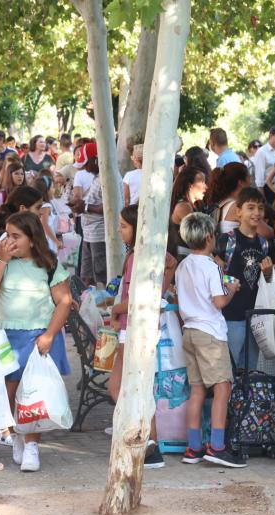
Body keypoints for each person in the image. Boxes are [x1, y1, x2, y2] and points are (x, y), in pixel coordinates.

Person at [0, 212, 72, 473]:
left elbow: (63, 302)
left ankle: (32, 445)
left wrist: (50, 334)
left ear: (32, 239)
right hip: (8, 337)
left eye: (16, 236)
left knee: (33, 394)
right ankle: (17, 433)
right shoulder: (3, 262)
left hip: (38, 337)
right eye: (7, 235)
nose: (9, 240)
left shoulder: (49, 264)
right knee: (8, 394)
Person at [108, 204, 177, 469]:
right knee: (119, 387)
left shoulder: (139, 257)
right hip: (132, 325)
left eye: (124, 226)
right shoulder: (139, 255)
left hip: (134, 327)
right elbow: (162, 280)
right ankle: (147, 443)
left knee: (130, 388)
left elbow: (139, 296)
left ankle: (147, 443)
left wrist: (116, 309)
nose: (119, 230)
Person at [176, 212, 246, 468]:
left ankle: (193, 447)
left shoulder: (183, 265)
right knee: (222, 386)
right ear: (208, 237)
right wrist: (232, 290)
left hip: (190, 331)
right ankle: (217, 445)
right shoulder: (211, 266)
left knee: (196, 389)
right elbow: (219, 303)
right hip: (210, 333)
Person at [215, 188, 274, 370]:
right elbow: (213, 275)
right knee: (229, 365)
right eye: (250, 207)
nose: (257, 213)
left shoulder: (265, 244)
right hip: (231, 315)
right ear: (238, 211)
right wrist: (226, 278)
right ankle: (229, 398)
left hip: (256, 316)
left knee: (250, 366)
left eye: (260, 208)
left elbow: (269, 281)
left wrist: (268, 273)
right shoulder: (226, 241)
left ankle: (245, 398)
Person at [69, 142, 107, 286]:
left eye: (86, 164)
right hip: (90, 233)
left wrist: (85, 207)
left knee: (100, 276)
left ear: (96, 160)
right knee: (86, 275)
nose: (85, 168)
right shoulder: (97, 177)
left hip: (99, 234)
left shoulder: (107, 178)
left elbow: (109, 208)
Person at [169, 167, 208, 259]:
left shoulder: (190, 205)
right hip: (183, 257)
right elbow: (198, 234)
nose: (206, 187)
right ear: (190, 185)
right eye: (202, 182)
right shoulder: (184, 206)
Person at [207, 162, 251, 235]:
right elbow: (266, 232)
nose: (251, 181)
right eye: (249, 177)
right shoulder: (237, 206)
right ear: (241, 182)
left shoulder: (222, 202)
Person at [32, 176, 62, 253]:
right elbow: (45, 225)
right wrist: (56, 241)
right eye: (52, 187)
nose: (54, 190)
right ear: (46, 190)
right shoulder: (46, 206)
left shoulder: (38, 205)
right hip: (47, 240)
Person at [252, 127, 275, 192]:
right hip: (267, 188)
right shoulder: (261, 152)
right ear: (270, 136)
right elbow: (259, 178)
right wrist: (263, 199)